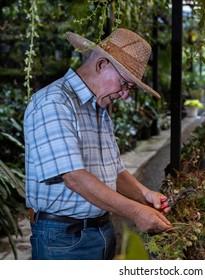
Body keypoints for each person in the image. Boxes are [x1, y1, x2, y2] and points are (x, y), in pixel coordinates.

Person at [23, 28, 172, 260]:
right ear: (102, 64)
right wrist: (135, 212)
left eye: (130, 88)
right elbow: (74, 178)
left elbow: (115, 171)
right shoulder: (53, 103)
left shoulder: (97, 107)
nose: (124, 95)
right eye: (124, 84)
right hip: (63, 240)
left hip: (100, 231)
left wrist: (145, 195)